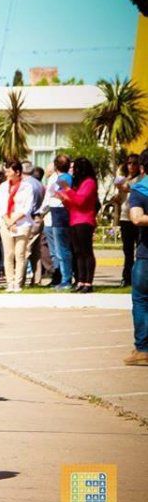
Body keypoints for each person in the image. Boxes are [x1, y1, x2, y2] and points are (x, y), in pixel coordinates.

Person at [58, 157, 99, 293]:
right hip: (74, 220)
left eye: (74, 168)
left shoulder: (89, 182)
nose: (72, 171)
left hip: (85, 220)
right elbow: (73, 205)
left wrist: (67, 190)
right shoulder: (79, 183)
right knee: (78, 253)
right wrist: (64, 199)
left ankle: (88, 282)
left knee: (86, 252)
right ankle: (80, 281)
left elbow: (81, 201)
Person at [124, 150, 148, 366]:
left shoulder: (140, 189)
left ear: (142, 168)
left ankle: (143, 349)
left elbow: (137, 218)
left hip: (146, 254)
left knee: (141, 300)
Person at [0, 161, 35, 292]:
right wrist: (8, 221)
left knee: (20, 253)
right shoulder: (3, 186)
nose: (7, 174)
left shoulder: (27, 186)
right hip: (6, 222)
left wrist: (14, 221)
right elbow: (0, 206)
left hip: (22, 223)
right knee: (8, 254)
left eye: (9, 171)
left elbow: (27, 208)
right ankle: (10, 282)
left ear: (17, 172)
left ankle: (18, 282)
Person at [41, 155, 74, 290]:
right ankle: (63, 278)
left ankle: (66, 279)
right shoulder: (62, 177)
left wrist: (56, 194)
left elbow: (63, 195)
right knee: (59, 250)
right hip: (56, 213)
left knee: (62, 249)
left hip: (61, 213)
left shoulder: (63, 178)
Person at [117, 154, 142, 286]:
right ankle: (127, 277)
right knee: (127, 251)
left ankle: (138, 277)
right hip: (125, 217)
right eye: (129, 163)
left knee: (140, 249)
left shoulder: (140, 179)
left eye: (134, 163)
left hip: (137, 217)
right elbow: (121, 198)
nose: (131, 166)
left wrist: (129, 189)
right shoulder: (125, 179)